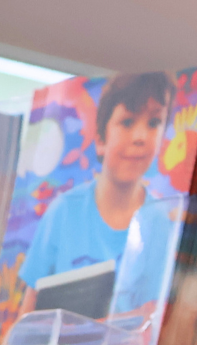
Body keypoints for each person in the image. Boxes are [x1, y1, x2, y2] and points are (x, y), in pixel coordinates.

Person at [18, 72, 178, 319]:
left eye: (154, 123)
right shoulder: (64, 211)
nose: (140, 137)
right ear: (101, 139)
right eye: (127, 122)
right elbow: (27, 315)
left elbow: (152, 319)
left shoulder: (161, 223)